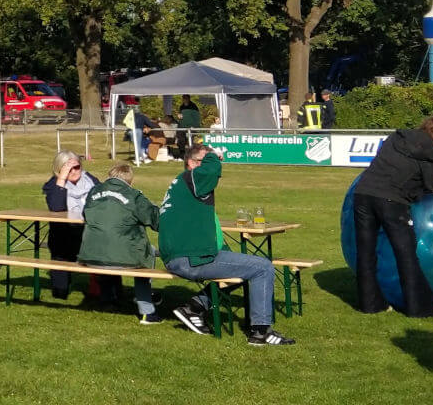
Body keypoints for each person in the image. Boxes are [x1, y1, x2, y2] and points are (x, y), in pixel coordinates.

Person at [158, 144, 295, 345]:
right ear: (192, 163)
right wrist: (213, 156)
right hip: (190, 258)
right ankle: (261, 332)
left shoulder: (180, 185)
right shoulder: (192, 178)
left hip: (178, 256)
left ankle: (194, 307)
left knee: (241, 268)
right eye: (203, 162)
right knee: (263, 267)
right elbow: (212, 169)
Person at [350, 115, 433, 317]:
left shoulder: (397, 137)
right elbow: (430, 191)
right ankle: (419, 308)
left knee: (366, 252)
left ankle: (370, 304)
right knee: (406, 255)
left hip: (362, 194)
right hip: (392, 202)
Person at [78, 163, 162, 324]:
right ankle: (146, 310)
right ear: (130, 180)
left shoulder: (93, 192)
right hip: (121, 256)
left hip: (91, 255)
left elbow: (85, 214)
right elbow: (155, 221)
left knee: (108, 247)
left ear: (109, 176)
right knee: (148, 253)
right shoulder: (134, 195)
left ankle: (107, 299)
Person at [41, 151, 98, 301]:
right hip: (64, 235)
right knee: (60, 252)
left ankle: (104, 292)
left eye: (76, 167)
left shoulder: (91, 180)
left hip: (90, 233)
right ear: (59, 169)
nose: (73, 172)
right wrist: (62, 178)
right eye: (68, 168)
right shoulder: (53, 184)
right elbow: (56, 207)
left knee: (104, 250)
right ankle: (60, 291)